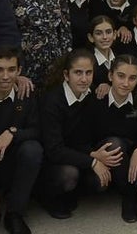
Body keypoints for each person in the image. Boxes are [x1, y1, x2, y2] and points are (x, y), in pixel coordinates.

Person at [0, 46, 43, 234]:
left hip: (13, 163)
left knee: (33, 149)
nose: (6, 76)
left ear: (19, 71)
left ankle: (15, 214)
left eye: (11, 70)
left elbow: (38, 131)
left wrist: (12, 133)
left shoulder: (26, 96)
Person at [38, 49, 100, 219]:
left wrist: (94, 154)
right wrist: (92, 161)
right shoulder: (52, 101)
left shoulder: (90, 95)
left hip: (74, 152)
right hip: (50, 159)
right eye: (78, 73)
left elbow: (84, 137)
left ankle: (73, 192)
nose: (84, 78)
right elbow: (54, 150)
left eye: (89, 73)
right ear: (66, 75)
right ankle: (47, 197)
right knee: (69, 175)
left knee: (99, 181)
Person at [87, 56, 137, 222]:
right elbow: (82, 136)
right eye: (120, 76)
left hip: (130, 155)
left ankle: (126, 187)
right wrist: (93, 156)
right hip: (102, 155)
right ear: (110, 76)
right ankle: (129, 197)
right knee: (115, 144)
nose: (126, 83)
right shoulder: (96, 100)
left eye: (132, 78)